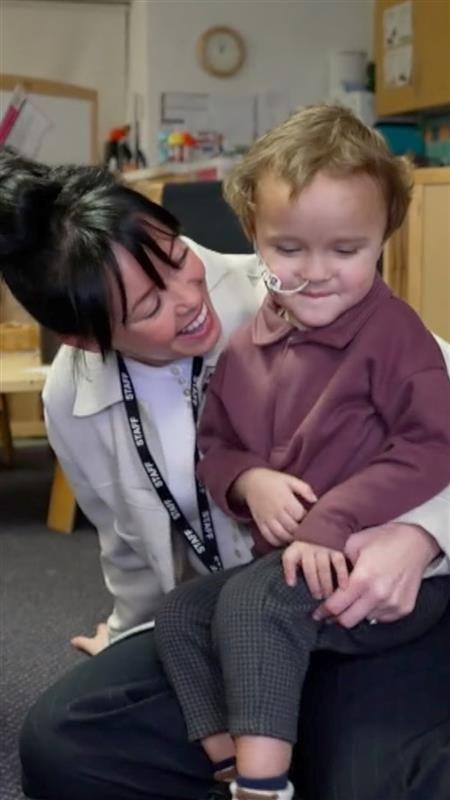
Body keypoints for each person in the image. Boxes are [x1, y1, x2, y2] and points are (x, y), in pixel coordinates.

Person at [0, 147, 449, 800]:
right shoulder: (72, 400)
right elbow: (124, 539)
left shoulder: (299, 282)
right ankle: (259, 758)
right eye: (149, 306)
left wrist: (422, 536)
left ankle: (296, 755)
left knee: (389, 782)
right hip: (244, 617)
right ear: (87, 341)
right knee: (62, 739)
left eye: (178, 258)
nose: (190, 298)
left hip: (376, 599)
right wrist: (125, 629)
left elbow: (437, 429)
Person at [153, 105, 450, 800]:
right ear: (255, 235)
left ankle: (263, 790)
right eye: (290, 249)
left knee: (254, 604)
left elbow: (434, 445)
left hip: (384, 581)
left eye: (345, 250)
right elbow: (217, 447)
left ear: (384, 241)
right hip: (296, 573)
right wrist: (249, 480)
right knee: (179, 613)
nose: (316, 273)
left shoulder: (397, 340)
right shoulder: (244, 345)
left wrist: (333, 519)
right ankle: (234, 765)